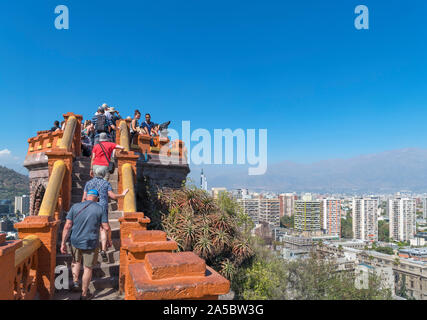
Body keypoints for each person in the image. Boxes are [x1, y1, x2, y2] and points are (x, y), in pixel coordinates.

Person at [60, 189, 110, 300]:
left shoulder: (75, 207)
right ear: (97, 198)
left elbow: (67, 226)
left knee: (76, 261)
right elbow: (105, 227)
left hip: (75, 241)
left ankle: (76, 283)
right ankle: (84, 295)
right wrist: (107, 241)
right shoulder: (100, 208)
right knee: (88, 268)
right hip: (91, 242)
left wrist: (63, 242)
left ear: (86, 196)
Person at [82, 167, 129, 263]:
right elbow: (113, 196)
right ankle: (103, 249)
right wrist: (123, 195)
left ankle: (89, 249)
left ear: (94, 173)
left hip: (90, 206)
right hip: (102, 207)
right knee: (103, 228)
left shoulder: (88, 183)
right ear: (104, 174)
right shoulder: (106, 183)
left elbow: (84, 198)